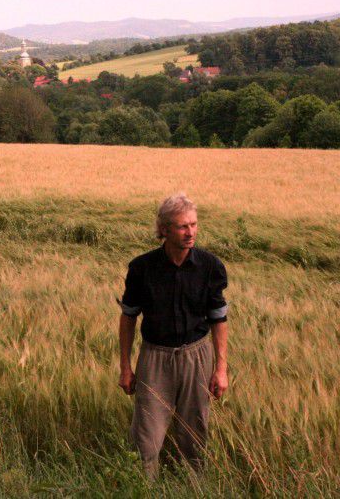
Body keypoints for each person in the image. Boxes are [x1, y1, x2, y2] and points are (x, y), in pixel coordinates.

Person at [118, 192, 228, 478]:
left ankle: (195, 489)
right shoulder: (142, 268)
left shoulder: (210, 267)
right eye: (182, 226)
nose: (190, 232)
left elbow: (219, 319)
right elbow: (128, 318)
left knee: (195, 435)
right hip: (155, 357)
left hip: (196, 355)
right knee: (146, 440)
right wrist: (126, 367)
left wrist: (221, 369)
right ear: (164, 229)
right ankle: (143, 490)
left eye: (193, 224)